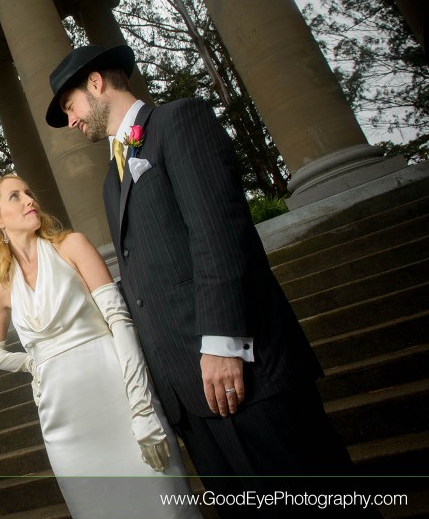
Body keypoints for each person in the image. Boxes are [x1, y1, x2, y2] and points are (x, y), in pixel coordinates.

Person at [45, 44, 369, 516]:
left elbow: (219, 232)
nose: (72, 121)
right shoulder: (110, 184)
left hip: (242, 374)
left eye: (69, 106)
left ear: (95, 84)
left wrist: (223, 343)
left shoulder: (179, 121)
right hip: (188, 398)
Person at [0, 173, 201, 519]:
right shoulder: (0, 290)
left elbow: (120, 321)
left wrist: (142, 408)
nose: (28, 199)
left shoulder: (73, 246)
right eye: (15, 197)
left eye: (29, 191)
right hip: (64, 423)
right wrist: (30, 365)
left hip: (120, 397)